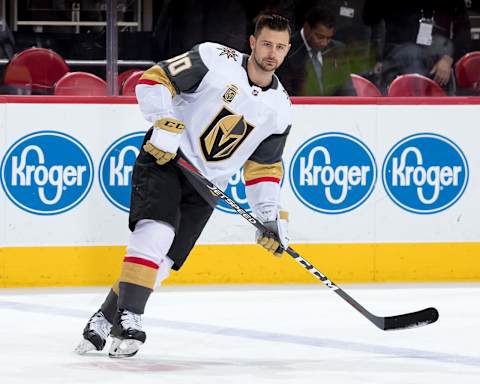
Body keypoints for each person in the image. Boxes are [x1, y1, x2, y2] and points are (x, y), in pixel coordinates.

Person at [75, 14, 293, 358]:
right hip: (167, 158)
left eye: (280, 47)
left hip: (207, 187)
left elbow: (263, 166)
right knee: (155, 232)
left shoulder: (280, 108)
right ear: (252, 42)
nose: (272, 52)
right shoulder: (214, 59)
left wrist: (268, 215)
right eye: (266, 43)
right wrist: (163, 119)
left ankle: (104, 317)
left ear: (287, 50)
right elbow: (155, 79)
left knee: (161, 263)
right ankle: (132, 317)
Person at [363, 0, 471, 94]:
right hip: (397, 62)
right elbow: (369, 18)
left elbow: (463, 31)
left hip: (437, 66)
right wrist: (377, 58)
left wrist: (448, 59)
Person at [276, 7, 354, 96]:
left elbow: (347, 90)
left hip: (333, 108)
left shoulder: (338, 50)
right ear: (307, 28)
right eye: (320, 37)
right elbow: (286, 94)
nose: (324, 43)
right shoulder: (287, 50)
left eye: (328, 38)